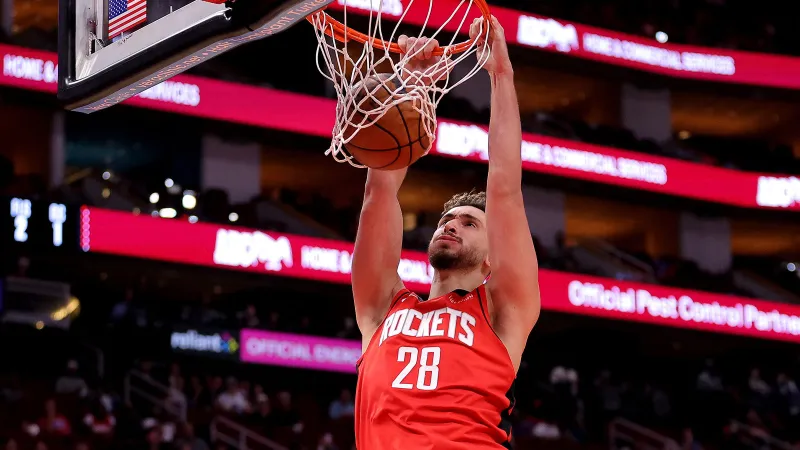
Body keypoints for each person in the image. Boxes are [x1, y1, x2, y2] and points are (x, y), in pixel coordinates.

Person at [352, 16, 541, 450]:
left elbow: (506, 190)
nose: (451, 223)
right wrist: (411, 85)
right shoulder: (383, 305)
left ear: (492, 258)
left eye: (469, 223)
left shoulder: (502, 311)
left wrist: (500, 75)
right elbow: (378, 194)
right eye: (445, 220)